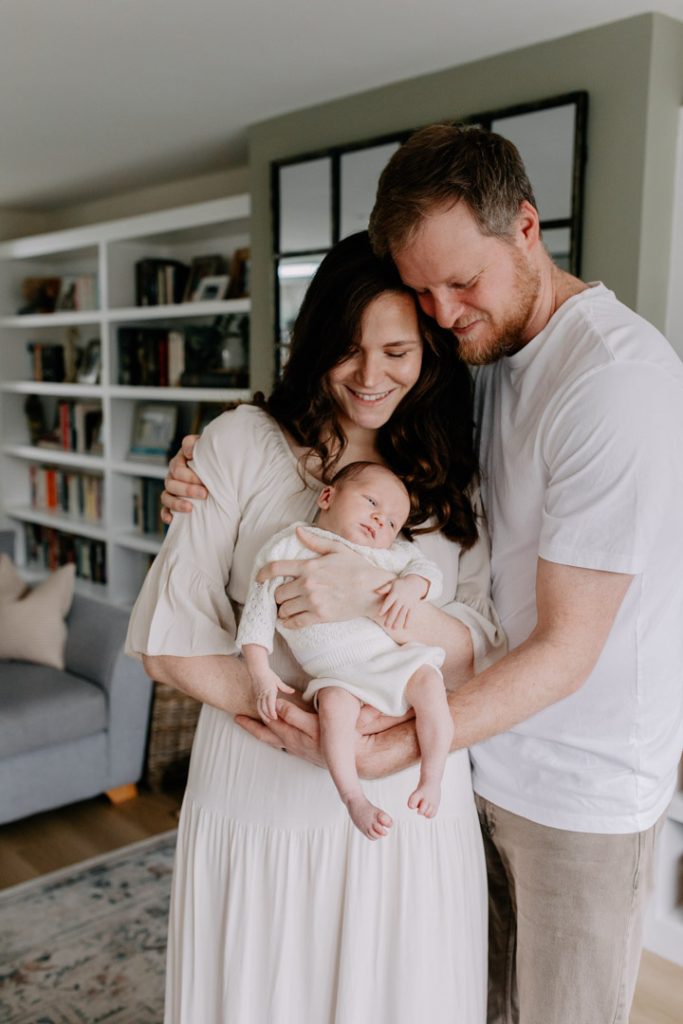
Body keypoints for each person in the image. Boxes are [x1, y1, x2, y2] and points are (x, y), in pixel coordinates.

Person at [165, 123, 683, 1024]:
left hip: (574, 788)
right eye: (424, 290)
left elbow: (565, 649)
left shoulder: (615, 383)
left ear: (526, 227)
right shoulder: (481, 363)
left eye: (461, 282)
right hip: (478, 768)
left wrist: (379, 750)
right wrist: (203, 465)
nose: (442, 311)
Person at [128, 230, 506, 1024]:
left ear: (429, 350)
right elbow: (167, 637)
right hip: (259, 788)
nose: (371, 377)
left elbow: (482, 641)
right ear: (313, 345)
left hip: (406, 801)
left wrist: (371, 604)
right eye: (346, 349)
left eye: (398, 350)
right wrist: (296, 713)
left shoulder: (451, 469)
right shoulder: (237, 444)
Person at [237, 460, 452, 838]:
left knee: (431, 687)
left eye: (390, 523)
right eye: (371, 502)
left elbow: (428, 571)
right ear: (327, 496)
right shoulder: (289, 545)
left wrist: (410, 585)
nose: (378, 521)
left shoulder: (389, 555)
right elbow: (256, 617)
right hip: (337, 675)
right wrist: (261, 673)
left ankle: (432, 777)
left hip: (393, 659)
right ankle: (354, 797)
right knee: (334, 710)